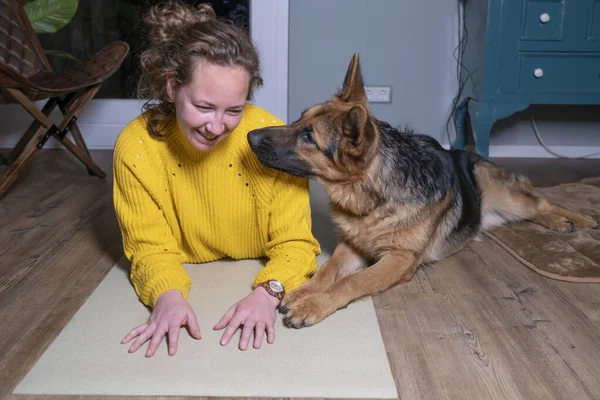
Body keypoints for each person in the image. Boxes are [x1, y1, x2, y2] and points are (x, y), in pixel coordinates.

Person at [113, 0, 320, 357]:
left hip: (260, 266)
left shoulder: (270, 140)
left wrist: (269, 293)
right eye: (204, 107)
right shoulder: (136, 148)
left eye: (234, 110)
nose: (216, 126)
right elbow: (149, 247)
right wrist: (166, 296)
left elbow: (297, 244)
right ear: (171, 87)